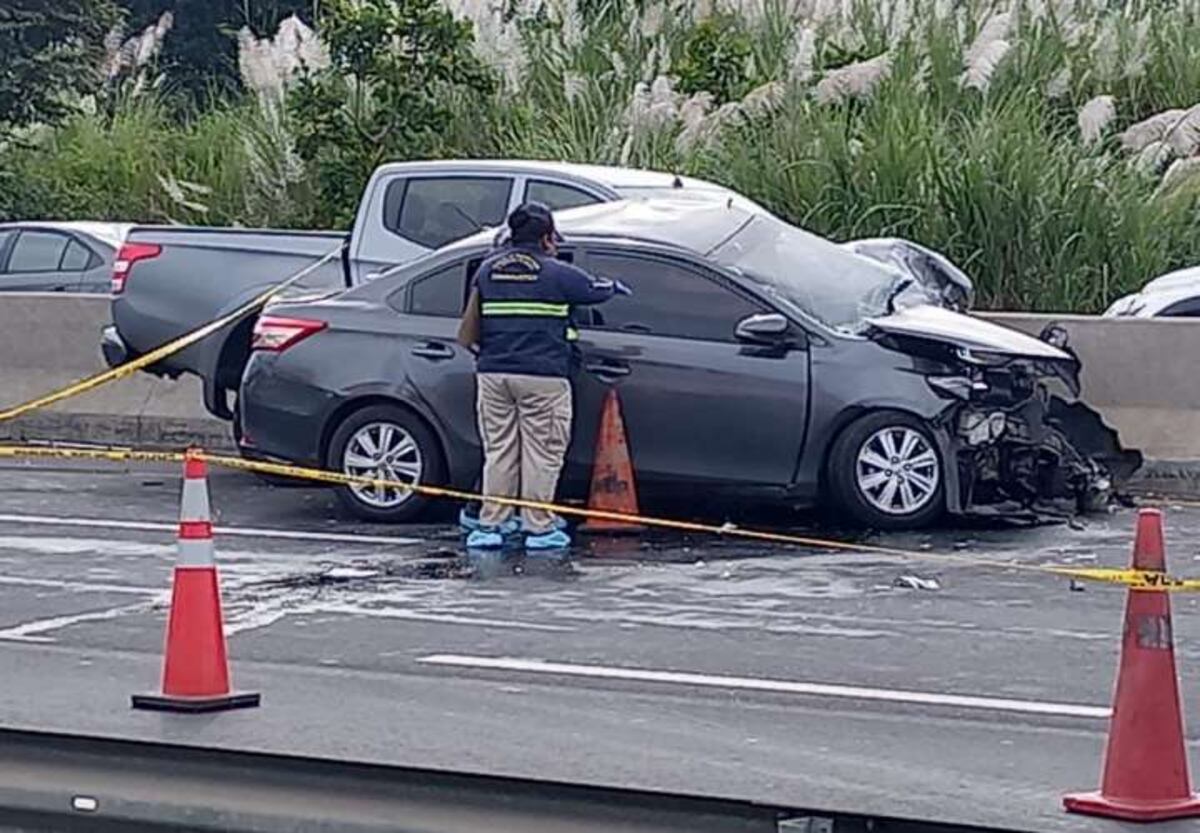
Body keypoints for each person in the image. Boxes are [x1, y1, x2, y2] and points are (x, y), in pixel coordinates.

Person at [456, 202, 626, 550]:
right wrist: (613, 287)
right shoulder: (558, 273)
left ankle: (492, 524)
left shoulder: (487, 271)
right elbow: (595, 291)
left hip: (494, 375)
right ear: (548, 237)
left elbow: (468, 330)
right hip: (542, 377)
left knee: (500, 450)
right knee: (542, 453)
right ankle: (539, 526)